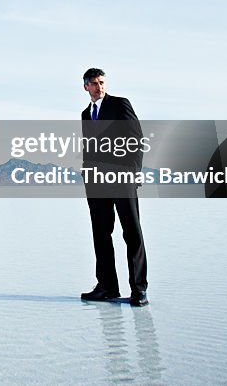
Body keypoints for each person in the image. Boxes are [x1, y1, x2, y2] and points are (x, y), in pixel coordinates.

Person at [79, 67, 149, 307]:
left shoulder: (120, 105)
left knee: (132, 232)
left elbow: (136, 138)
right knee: (101, 233)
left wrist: (133, 172)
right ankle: (107, 286)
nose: (99, 87)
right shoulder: (86, 114)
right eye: (94, 83)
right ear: (85, 87)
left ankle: (139, 290)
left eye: (102, 82)